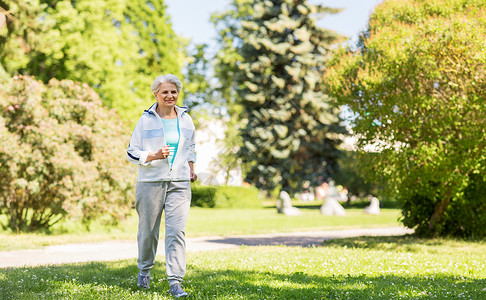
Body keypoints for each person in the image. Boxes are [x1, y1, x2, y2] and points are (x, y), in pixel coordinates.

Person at [127, 74, 196, 298]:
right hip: (150, 183)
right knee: (148, 233)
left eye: (174, 91)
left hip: (179, 182)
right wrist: (154, 155)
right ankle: (144, 272)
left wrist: (191, 168)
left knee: (176, 232)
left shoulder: (186, 119)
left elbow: (191, 147)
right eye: (165, 92)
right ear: (155, 94)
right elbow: (131, 151)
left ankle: (175, 282)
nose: (170, 95)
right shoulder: (145, 120)